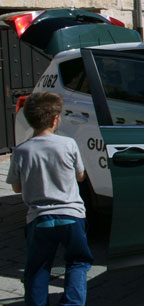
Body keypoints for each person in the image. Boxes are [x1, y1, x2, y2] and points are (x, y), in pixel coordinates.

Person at [6, 92, 93, 306]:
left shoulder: (21, 151)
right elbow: (80, 175)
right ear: (55, 119)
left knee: (38, 267)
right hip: (72, 216)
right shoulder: (69, 144)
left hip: (39, 218)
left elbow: (16, 187)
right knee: (77, 262)